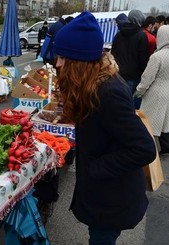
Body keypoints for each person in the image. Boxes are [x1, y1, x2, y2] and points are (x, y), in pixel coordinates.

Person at [53, 11, 156, 245]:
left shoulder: (108, 93)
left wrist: (95, 168)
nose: (57, 62)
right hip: (104, 195)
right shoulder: (94, 84)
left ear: (78, 61)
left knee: (101, 239)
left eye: (62, 57)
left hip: (112, 200)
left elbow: (144, 149)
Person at [134, 25, 169, 154]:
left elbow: (147, 77)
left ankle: (149, 151)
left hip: (155, 92)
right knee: (164, 123)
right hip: (167, 91)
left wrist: (139, 91)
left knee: (149, 124)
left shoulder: (157, 56)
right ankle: (164, 148)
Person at [111, 10, 149, 109]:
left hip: (118, 74)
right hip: (134, 76)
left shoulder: (118, 35)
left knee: (117, 102)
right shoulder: (141, 36)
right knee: (130, 105)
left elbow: (113, 54)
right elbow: (143, 58)